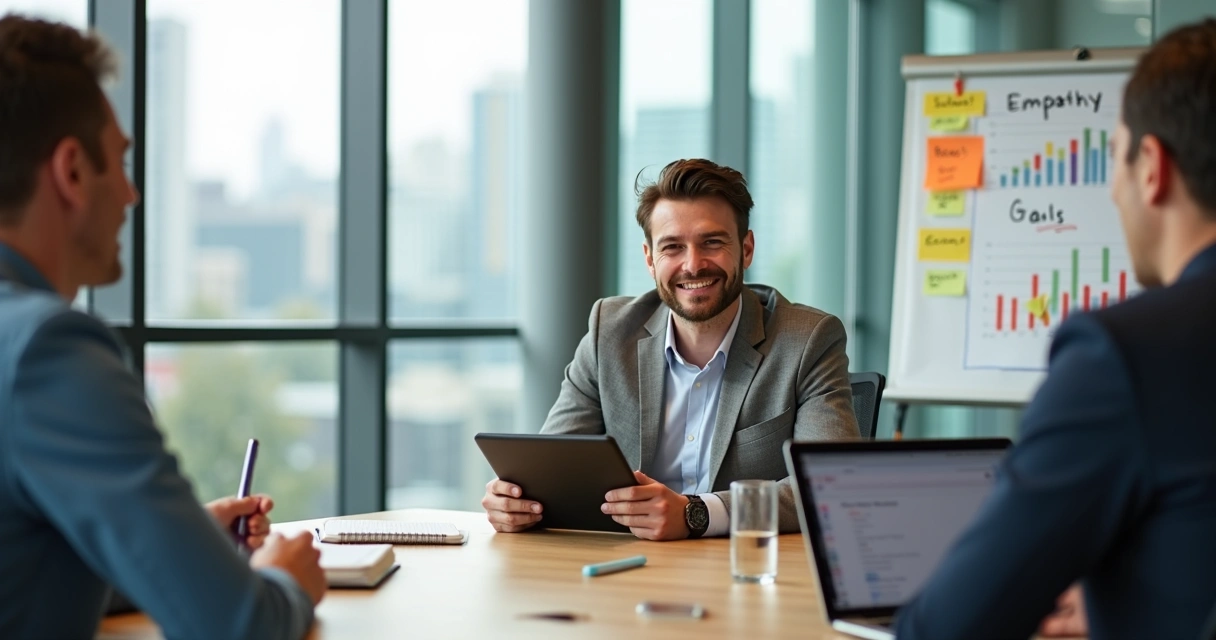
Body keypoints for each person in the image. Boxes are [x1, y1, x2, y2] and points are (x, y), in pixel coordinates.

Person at [0, 14, 324, 639]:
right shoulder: (48, 349)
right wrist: (286, 579)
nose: (130, 194)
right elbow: (238, 626)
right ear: (71, 171)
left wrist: (174, 547)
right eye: (119, 164)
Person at [894, 19, 1216, 640]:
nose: (1114, 192)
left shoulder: (1127, 352)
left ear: (1152, 167)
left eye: (1115, 156)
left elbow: (949, 627)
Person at [483, 158, 858, 540]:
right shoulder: (609, 333)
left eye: (712, 242)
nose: (693, 265)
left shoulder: (808, 339)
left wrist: (698, 514)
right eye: (673, 247)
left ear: (746, 249)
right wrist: (517, 501)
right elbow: (554, 469)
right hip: (629, 570)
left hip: (744, 573)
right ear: (649, 258)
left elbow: (830, 486)